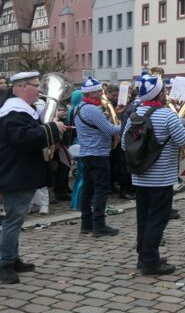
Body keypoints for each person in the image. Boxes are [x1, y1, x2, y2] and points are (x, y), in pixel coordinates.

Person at [121, 75, 185, 275]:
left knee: (143, 217)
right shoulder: (167, 115)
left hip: (140, 176)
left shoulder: (135, 114)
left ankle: (143, 257)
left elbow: (123, 144)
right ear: (160, 94)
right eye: (164, 91)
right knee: (158, 219)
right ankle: (151, 262)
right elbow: (182, 141)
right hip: (161, 177)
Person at [0, 72, 66, 284]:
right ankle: (4, 263)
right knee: (13, 220)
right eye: (35, 86)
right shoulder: (13, 112)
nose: (40, 90)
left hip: (21, 171)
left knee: (16, 219)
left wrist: (51, 127)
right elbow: (25, 139)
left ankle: (12, 258)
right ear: (20, 87)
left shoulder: (20, 111)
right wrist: (51, 128)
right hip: (16, 172)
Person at [74, 77, 121, 237]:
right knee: (101, 189)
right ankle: (99, 225)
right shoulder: (93, 110)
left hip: (86, 153)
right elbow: (111, 130)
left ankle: (85, 224)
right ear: (92, 93)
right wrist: (122, 123)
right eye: (100, 91)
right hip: (98, 154)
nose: (102, 94)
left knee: (87, 189)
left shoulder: (79, 107)